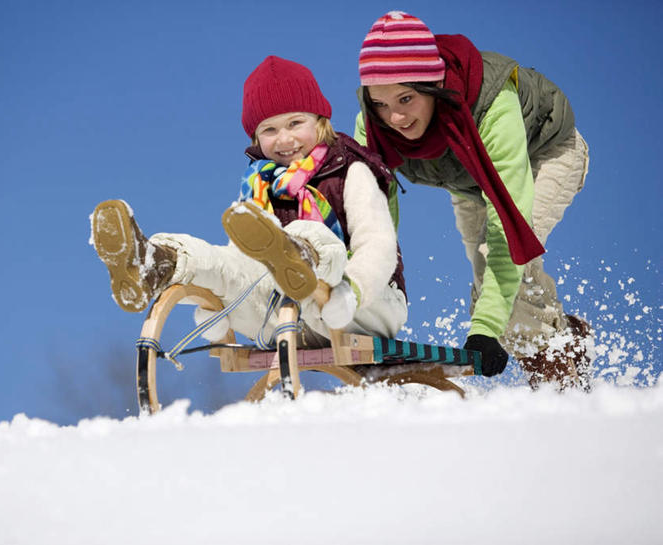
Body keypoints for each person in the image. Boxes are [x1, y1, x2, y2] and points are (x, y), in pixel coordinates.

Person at [91, 55, 408, 355]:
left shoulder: (350, 170)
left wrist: (351, 292)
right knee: (225, 265)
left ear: (321, 121)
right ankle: (155, 264)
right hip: (291, 317)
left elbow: (378, 245)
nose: (284, 139)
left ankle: (301, 256)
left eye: (295, 123)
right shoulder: (259, 185)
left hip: (365, 306)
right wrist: (221, 306)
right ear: (256, 139)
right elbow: (241, 265)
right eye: (269, 130)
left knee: (309, 233)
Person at [353, 11, 591, 389]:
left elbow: (506, 228)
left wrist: (484, 330)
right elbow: (374, 220)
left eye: (406, 98)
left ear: (432, 85)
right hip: (470, 181)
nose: (394, 116)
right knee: (497, 285)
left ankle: (561, 376)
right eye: (380, 103)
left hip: (545, 153)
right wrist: (363, 298)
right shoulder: (373, 127)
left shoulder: (493, 106)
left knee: (499, 274)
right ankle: (560, 335)